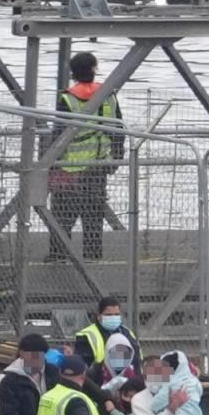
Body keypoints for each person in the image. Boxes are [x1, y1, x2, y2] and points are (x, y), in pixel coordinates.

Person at [44, 51, 125, 263]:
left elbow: (59, 135)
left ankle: (59, 255)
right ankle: (92, 256)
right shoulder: (108, 95)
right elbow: (119, 127)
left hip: (70, 166)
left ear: (73, 72)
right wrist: (117, 156)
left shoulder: (68, 98)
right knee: (93, 213)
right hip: (98, 166)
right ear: (94, 68)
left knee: (63, 214)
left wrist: (50, 164)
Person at [0, 333, 61, 415]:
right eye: (31, 355)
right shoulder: (10, 382)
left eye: (39, 356)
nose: (35, 360)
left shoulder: (53, 374)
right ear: (22, 354)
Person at [75, 296, 141, 372]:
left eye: (116, 314)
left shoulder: (127, 332)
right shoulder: (87, 335)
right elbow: (83, 367)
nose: (113, 317)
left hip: (128, 379)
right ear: (99, 316)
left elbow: (137, 360)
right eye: (108, 315)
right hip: (99, 380)